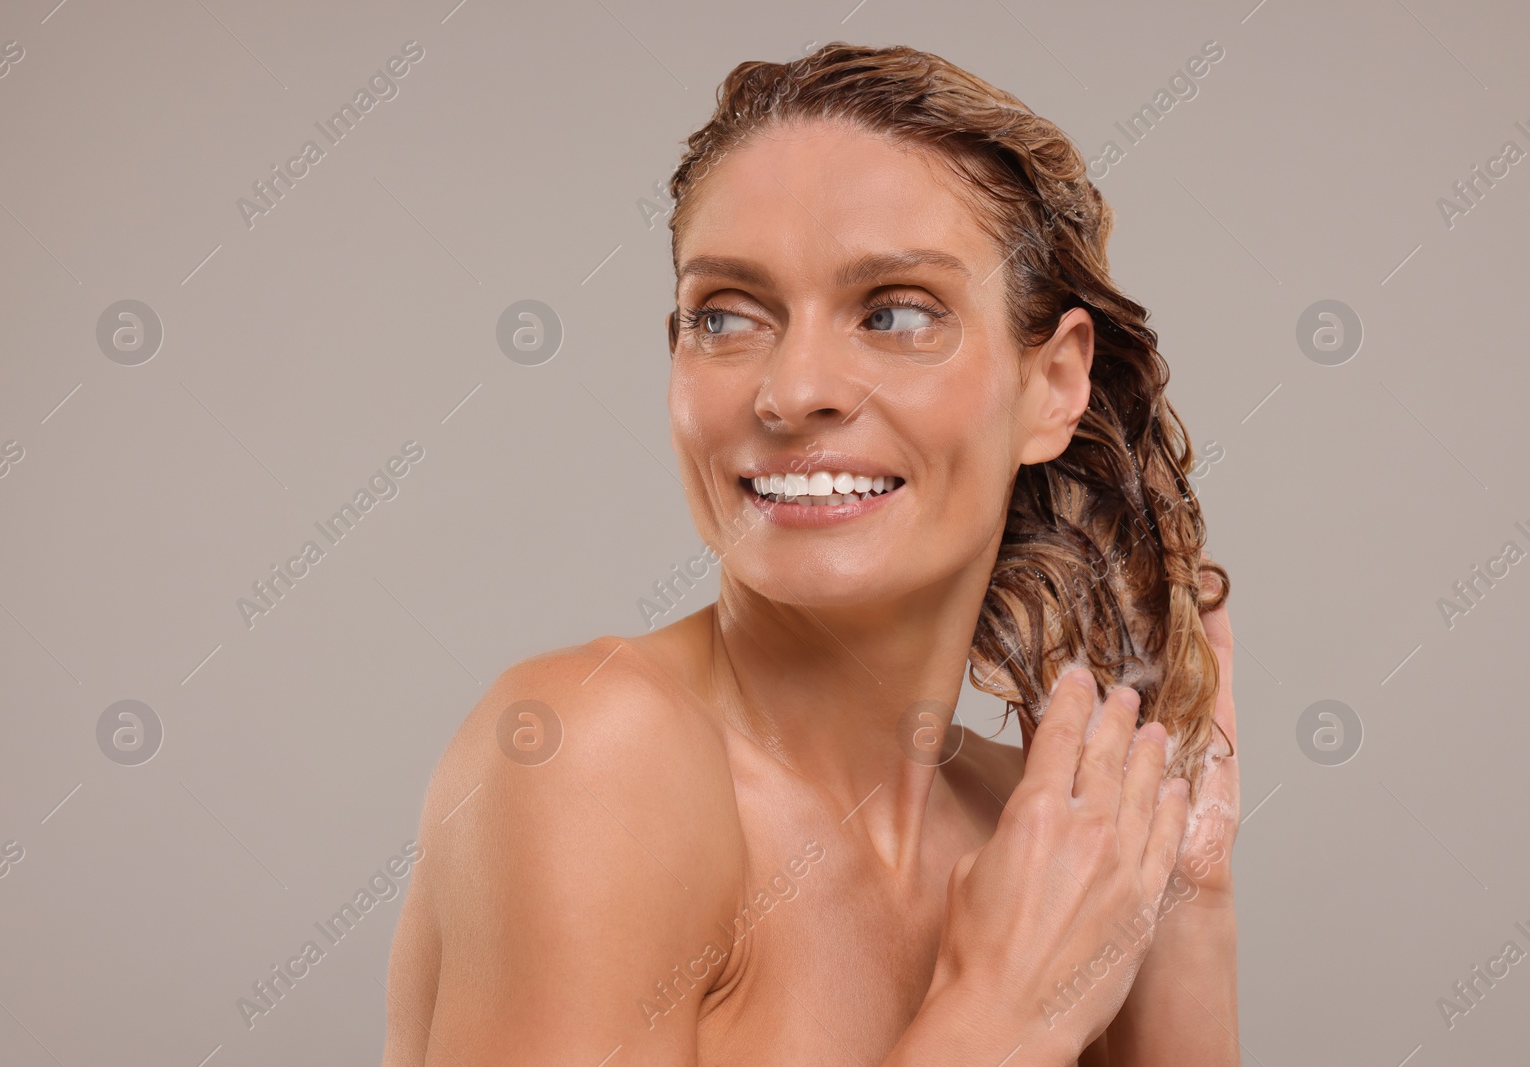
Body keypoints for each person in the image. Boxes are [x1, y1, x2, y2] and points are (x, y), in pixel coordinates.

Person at [381, 42, 1240, 1067]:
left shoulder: (1043, 836)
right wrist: (999, 1020)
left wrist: (1186, 892)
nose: (792, 390)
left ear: (1052, 385)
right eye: (728, 316)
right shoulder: (598, 755)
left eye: (894, 312)